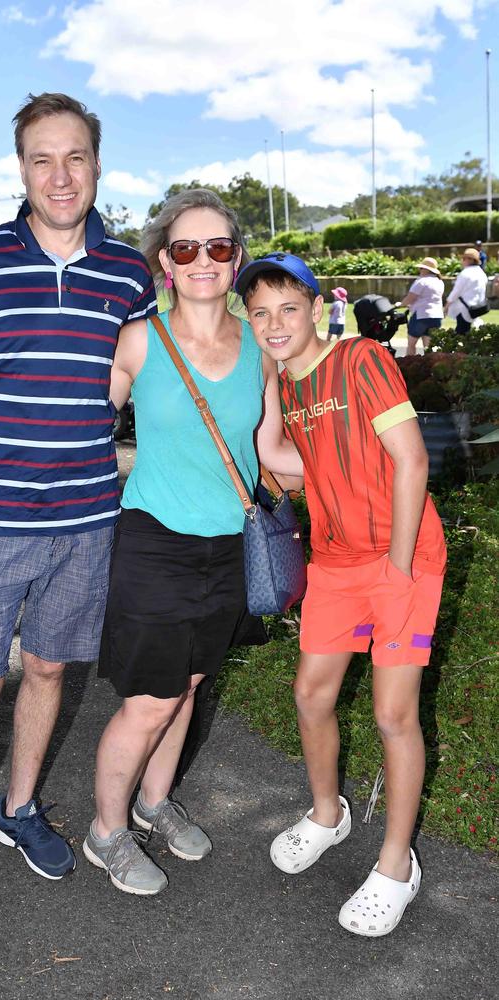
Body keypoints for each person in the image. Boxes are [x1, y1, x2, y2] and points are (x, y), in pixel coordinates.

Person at [0, 91, 157, 952]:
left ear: (95, 165)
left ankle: (16, 810)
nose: (60, 174)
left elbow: (143, 365)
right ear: (21, 168)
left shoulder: (127, 270)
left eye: (75, 157)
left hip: (88, 518)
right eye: (42, 158)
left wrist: (106, 414)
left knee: (48, 671)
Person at [83, 192, 303, 896]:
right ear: (165, 264)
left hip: (229, 547)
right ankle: (107, 832)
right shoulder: (141, 339)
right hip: (154, 541)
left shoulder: (258, 356)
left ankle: (154, 802)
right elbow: (86, 422)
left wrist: (366, 461)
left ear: (235, 258)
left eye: (217, 248)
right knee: (150, 698)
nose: (203, 260)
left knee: (192, 685)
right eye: (185, 249)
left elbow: (269, 447)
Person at [235, 253, 446, 937]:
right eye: (260, 312)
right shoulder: (292, 386)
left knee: (392, 715)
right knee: (311, 694)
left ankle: (395, 866)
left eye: (287, 309)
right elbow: (291, 463)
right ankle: (328, 813)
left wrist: (397, 564)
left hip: (401, 557)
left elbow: (411, 459)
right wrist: (269, 387)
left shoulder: (358, 359)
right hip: (332, 563)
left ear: (315, 306)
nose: (274, 323)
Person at [400, 257, 444, 355]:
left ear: (426, 270)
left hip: (421, 316)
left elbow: (410, 298)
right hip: (436, 316)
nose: (419, 270)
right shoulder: (439, 282)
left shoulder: (421, 281)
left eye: (421, 268)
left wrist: (401, 304)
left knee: (411, 344)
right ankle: (430, 367)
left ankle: (410, 366)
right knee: (429, 347)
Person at [445, 248, 488, 336]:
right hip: (476, 309)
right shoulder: (481, 273)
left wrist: (446, 306)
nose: (462, 261)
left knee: (461, 334)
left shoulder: (465, 273)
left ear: (470, 260)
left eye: (464, 258)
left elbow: (456, 292)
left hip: (464, 309)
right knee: (470, 335)